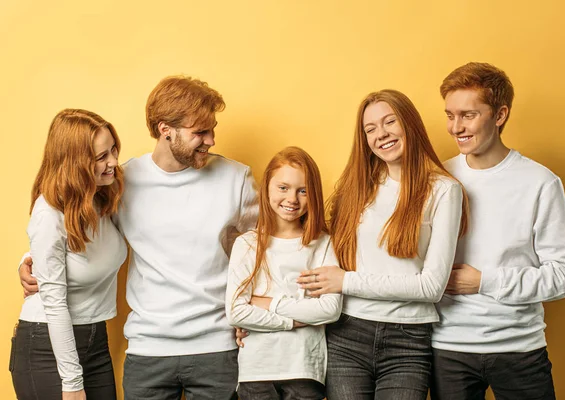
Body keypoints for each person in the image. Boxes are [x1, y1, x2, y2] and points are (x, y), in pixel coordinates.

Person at [19, 76, 259, 400]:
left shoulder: (237, 179)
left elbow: (266, 246)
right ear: (166, 130)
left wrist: (253, 305)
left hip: (217, 346)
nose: (211, 140)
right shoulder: (123, 180)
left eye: (212, 129)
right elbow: (70, 223)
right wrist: (30, 260)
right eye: (200, 132)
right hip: (147, 350)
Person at [297, 90, 468, 400]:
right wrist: (260, 311)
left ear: (410, 124)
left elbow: (431, 287)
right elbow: (305, 247)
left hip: (408, 339)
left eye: (390, 122)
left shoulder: (445, 190)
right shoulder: (356, 188)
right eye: (370, 129)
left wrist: (346, 281)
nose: (381, 134)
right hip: (346, 333)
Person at [431, 62, 565, 400]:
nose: (456, 127)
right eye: (450, 115)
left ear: (499, 115)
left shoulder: (540, 183)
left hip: (520, 350)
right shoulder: (438, 178)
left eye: (468, 115)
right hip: (447, 349)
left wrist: (484, 281)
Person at [11, 109, 126, 400]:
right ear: (74, 163)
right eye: (102, 157)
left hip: (95, 340)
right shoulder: (48, 212)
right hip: (47, 346)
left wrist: (26, 261)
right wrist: (72, 382)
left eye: (113, 150)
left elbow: (66, 255)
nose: (113, 161)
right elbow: (55, 304)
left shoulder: (102, 198)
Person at [226, 146, 342, 400]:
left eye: (303, 191)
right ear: (267, 186)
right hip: (256, 371)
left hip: (304, 370)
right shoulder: (247, 244)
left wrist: (267, 304)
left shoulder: (323, 244)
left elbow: (329, 310)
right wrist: (295, 320)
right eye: (283, 188)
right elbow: (236, 312)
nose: (292, 199)